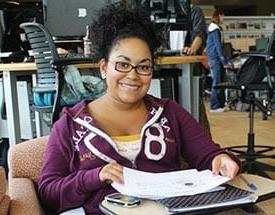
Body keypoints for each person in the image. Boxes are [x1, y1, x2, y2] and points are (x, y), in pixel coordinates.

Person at [38, 3, 240, 214]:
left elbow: (210, 156)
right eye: (123, 65)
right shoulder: (70, 123)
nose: (133, 75)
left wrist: (222, 160)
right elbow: (48, 194)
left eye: (143, 66)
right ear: (103, 68)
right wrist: (95, 176)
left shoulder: (170, 113)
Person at [206, 9, 228, 112]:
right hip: (215, 59)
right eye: (223, 16)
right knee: (217, 82)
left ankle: (221, 104)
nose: (224, 19)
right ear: (218, 16)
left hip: (216, 58)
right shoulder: (214, 29)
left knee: (221, 81)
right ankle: (214, 106)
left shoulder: (217, 28)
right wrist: (224, 61)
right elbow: (218, 46)